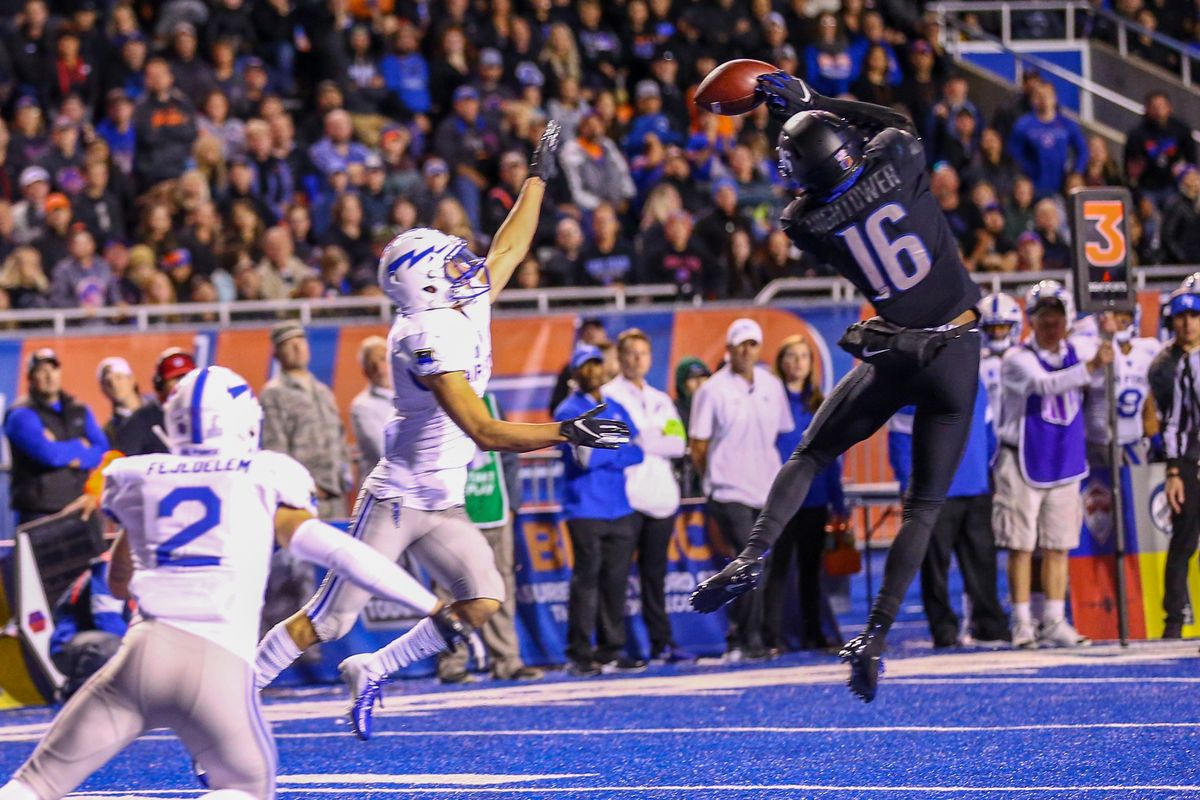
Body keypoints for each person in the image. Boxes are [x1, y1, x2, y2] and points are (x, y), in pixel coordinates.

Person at [251, 122, 630, 740]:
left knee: (481, 600)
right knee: (329, 619)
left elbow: (508, 248)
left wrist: (537, 177)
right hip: (399, 498)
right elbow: (481, 430)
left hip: (442, 498)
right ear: (424, 282)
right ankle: (233, 695)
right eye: (449, 261)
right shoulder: (421, 335)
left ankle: (374, 668)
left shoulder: (456, 302)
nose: (466, 264)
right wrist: (565, 431)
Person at [0, 366, 454, 800]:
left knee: (33, 784)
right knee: (246, 788)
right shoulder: (264, 475)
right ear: (243, 422)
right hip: (216, 662)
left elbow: (119, 584)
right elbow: (339, 551)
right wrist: (428, 603)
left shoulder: (136, 475)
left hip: (140, 656)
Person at [691, 72, 984, 703]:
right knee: (922, 509)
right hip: (956, 348)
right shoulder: (900, 156)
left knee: (812, 452)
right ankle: (874, 636)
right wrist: (813, 101)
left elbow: (815, 190)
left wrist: (808, 125)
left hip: (897, 349)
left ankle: (753, 553)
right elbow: (893, 119)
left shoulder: (808, 221)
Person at [995, 281, 1110, 650]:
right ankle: (1023, 622)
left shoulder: (1078, 349)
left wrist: (1109, 339)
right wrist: (1092, 365)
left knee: (1059, 544)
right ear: (1031, 321)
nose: (1050, 325)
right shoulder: (1016, 359)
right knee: (1022, 545)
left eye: (1057, 318)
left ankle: (1055, 620)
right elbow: (1045, 386)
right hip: (1022, 458)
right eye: (1043, 318)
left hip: (1064, 457)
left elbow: (1110, 364)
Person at [690, 318, 792, 662]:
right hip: (729, 489)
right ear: (729, 349)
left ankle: (750, 634)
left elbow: (779, 432)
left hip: (765, 489)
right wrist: (713, 480)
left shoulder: (771, 385)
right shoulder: (711, 390)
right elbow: (699, 446)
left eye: (753, 345)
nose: (747, 351)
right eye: (741, 345)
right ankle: (748, 639)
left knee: (760, 566)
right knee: (748, 566)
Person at [438, 392, 545, 683]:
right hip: (451, 510)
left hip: (494, 507)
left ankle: (507, 660)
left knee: (500, 586)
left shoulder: (492, 401)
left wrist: (512, 504)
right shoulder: (436, 398)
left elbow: (509, 454)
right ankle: (452, 663)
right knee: (449, 589)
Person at [602, 328, 694, 663]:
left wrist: (644, 438)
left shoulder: (661, 398)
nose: (637, 359)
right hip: (624, 497)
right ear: (620, 357)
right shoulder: (607, 394)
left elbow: (677, 442)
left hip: (660, 497)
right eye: (631, 353)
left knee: (655, 577)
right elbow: (623, 440)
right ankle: (614, 647)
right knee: (615, 576)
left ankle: (661, 643)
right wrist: (649, 438)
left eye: (643, 353)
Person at [556, 345, 645, 675]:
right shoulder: (568, 409)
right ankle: (580, 653)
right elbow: (582, 461)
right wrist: (614, 449)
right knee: (587, 582)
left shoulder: (616, 406)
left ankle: (611, 649)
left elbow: (638, 452)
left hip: (618, 507)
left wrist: (603, 451)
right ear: (576, 373)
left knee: (616, 582)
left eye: (596, 364)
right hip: (585, 508)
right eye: (585, 366)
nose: (592, 371)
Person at [764, 335, 845, 653]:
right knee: (778, 569)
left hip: (814, 498)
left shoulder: (821, 403)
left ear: (812, 365)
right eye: (791, 356)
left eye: (803, 356)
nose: (797, 363)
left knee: (811, 571)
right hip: (780, 498)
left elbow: (832, 454)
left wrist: (837, 500)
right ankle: (771, 636)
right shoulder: (770, 400)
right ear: (781, 362)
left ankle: (814, 633)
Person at [1149, 274, 1200, 639]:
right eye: (1182, 317)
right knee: (1183, 539)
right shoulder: (1167, 365)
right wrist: (1173, 469)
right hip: (1189, 458)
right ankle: (1173, 622)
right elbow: (1168, 419)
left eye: (1194, 315)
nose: (1188, 323)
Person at [4, 348, 108, 525]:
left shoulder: (79, 409)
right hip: (39, 512)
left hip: (79, 506)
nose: (49, 376)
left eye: (53, 369)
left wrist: (66, 450)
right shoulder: (20, 414)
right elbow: (48, 455)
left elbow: (102, 450)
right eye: (41, 370)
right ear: (30, 377)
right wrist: (80, 446)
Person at [1007, 82, 1087, 198]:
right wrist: (1026, 172)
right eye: (1039, 96)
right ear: (1033, 100)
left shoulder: (1066, 124)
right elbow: (1014, 153)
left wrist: (1076, 172)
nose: (1044, 100)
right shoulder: (1024, 125)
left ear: (1054, 98)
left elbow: (1082, 150)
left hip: (1062, 184)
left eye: (1047, 96)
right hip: (1033, 186)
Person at [113, 348, 195, 457]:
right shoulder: (138, 421)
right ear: (160, 384)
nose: (184, 384)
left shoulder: (209, 413)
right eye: (176, 379)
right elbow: (121, 465)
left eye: (188, 377)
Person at [348, 335, 392, 487]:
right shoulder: (361, 406)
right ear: (365, 372)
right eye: (372, 364)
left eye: (383, 359)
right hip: (382, 491)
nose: (380, 369)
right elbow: (384, 451)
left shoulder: (410, 394)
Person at [96, 356, 147, 444]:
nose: (114, 385)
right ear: (103, 390)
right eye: (108, 382)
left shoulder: (159, 409)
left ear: (131, 379)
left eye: (118, 378)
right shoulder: (109, 432)